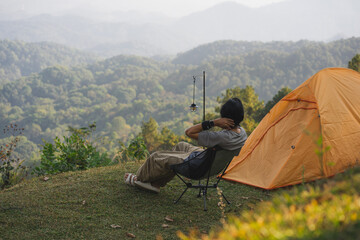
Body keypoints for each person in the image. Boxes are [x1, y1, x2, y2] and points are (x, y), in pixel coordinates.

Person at [124, 98, 248, 193]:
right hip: (209, 163)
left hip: (198, 167)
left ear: (225, 117)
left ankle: (138, 179)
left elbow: (189, 132)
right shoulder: (242, 134)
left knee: (156, 157)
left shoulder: (222, 137)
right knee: (181, 146)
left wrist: (213, 122)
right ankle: (156, 183)